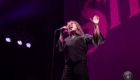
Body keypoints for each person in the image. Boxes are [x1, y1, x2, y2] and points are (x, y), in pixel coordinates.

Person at [56, 15, 105, 80]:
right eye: (69, 25)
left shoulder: (83, 37)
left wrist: (96, 25)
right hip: (68, 67)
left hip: (79, 65)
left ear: (77, 27)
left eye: (72, 24)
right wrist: (61, 33)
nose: (70, 25)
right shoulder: (66, 40)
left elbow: (96, 40)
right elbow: (60, 46)